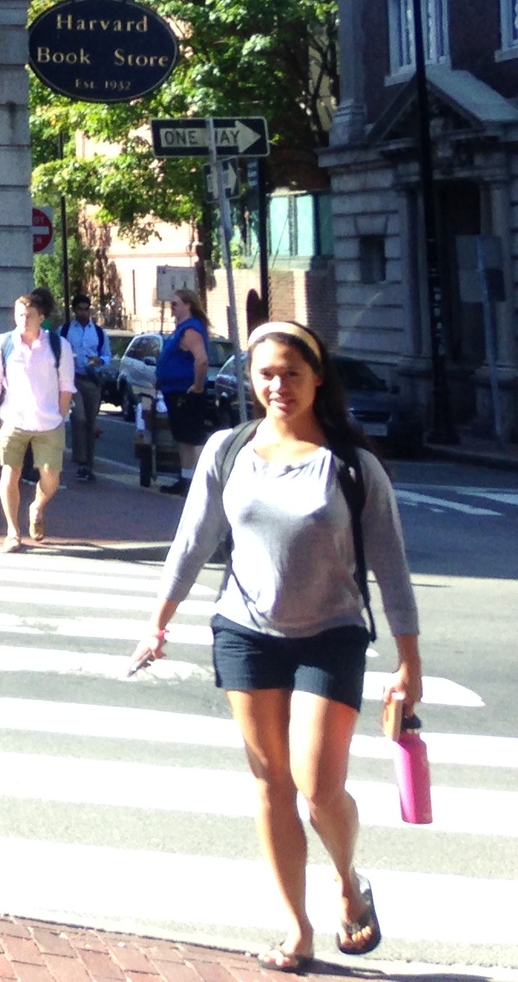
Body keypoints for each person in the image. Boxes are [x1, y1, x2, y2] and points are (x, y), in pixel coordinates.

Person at [132, 322, 418, 972]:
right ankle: (297, 928)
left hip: (333, 632)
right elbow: (192, 540)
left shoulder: (352, 464)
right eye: (266, 373)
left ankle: (349, 879)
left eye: (291, 372)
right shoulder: (227, 451)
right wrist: (159, 620)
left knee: (320, 785)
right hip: (246, 631)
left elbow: (392, 568)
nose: (277, 385)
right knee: (271, 783)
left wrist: (409, 660)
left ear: (318, 378)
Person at [0, 290, 75, 550]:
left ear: (41, 317)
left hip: (48, 421)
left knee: (51, 478)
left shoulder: (58, 346)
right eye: (19, 314)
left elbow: (67, 386)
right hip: (13, 418)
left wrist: (61, 416)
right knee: (9, 472)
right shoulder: (1, 344)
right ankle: (13, 531)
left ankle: (37, 506)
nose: (23, 320)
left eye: (29, 315)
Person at [158, 287, 217, 493]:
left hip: (186, 391)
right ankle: (186, 480)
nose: (171, 308)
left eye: (175, 304)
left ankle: (202, 484)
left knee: (193, 437)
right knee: (183, 437)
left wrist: (198, 386)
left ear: (187, 305)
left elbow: (201, 360)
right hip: (174, 390)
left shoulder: (190, 330)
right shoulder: (181, 329)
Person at [61, 296, 111, 482]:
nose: (83, 312)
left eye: (86, 309)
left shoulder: (98, 332)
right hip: (73, 380)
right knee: (79, 417)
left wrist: (100, 361)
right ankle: (80, 460)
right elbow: (59, 353)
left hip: (92, 380)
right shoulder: (65, 331)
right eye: (80, 309)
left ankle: (88, 465)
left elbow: (107, 356)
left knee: (91, 422)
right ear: (74, 310)